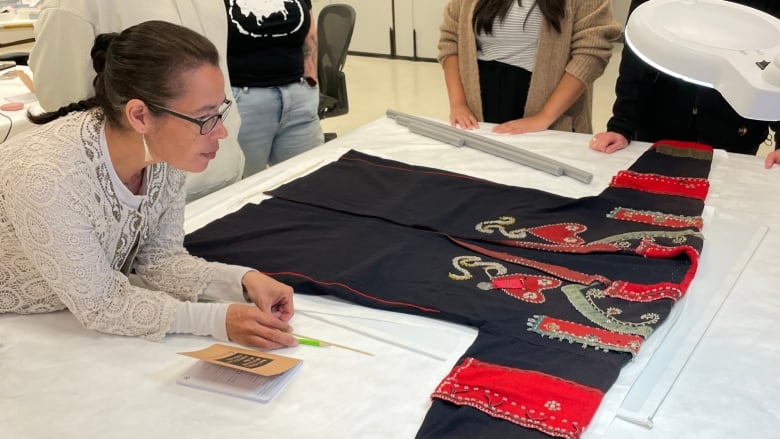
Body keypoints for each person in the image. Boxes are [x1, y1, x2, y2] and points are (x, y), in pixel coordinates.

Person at [0, 20, 298, 350]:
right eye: (204, 118)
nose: (220, 132)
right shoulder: (48, 177)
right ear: (140, 115)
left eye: (219, 111)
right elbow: (102, 305)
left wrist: (242, 281)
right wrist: (217, 320)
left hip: (59, 317)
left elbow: (158, 261)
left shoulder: (159, 154)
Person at [28, 0, 245, 201]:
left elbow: (211, 77)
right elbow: (63, 101)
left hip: (223, 171)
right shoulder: (76, 5)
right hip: (138, 193)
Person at [590, 0, 780, 155]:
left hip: (735, 131)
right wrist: (621, 125)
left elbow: (777, 64)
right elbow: (637, 51)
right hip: (661, 122)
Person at [438, 0, 620, 135]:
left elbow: (590, 55)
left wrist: (544, 117)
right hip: (480, 112)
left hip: (550, 116)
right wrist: (458, 103)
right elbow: (451, 41)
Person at [224, 0, 324, 177]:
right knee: (243, 189)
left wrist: (311, 81)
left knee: (308, 182)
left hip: (299, 98)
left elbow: (309, 32)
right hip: (244, 103)